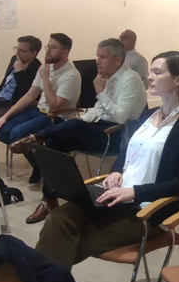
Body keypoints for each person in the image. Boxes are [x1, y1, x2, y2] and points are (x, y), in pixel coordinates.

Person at [34, 51, 179, 268]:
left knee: (80, 238)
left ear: (178, 80)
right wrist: (116, 171)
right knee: (58, 217)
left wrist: (135, 192)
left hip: (146, 210)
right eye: (151, 71)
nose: (150, 77)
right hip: (115, 197)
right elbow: (127, 153)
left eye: (157, 72)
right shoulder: (148, 115)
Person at [14, 38, 145, 224]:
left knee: (73, 127)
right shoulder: (107, 77)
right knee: (53, 143)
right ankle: (49, 200)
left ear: (117, 60)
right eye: (97, 56)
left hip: (116, 134)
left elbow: (121, 117)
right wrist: (81, 120)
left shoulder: (130, 79)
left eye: (103, 57)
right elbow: (99, 110)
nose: (97, 61)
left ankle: (37, 136)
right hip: (98, 127)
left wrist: (100, 92)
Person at [0, 33, 81, 183]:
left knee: (17, 134)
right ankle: (41, 165)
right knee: (0, 129)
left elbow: (54, 107)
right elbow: (29, 96)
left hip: (56, 116)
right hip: (38, 111)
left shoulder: (71, 75)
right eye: (48, 47)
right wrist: (5, 116)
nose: (48, 51)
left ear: (65, 52)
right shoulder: (45, 68)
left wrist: (46, 78)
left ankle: (42, 166)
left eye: (53, 48)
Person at [0, 35, 42, 118]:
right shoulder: (14, 59)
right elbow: (5, 83)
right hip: (0, 97)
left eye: (22, 51)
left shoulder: (37, 69)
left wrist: (20, 73)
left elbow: (26, 96)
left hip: (11, 103)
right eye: (17, 49)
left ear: (33, 53)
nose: (17, 54)